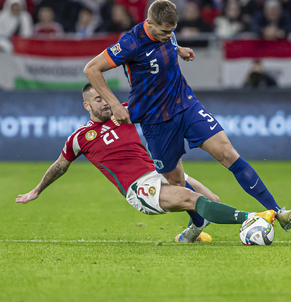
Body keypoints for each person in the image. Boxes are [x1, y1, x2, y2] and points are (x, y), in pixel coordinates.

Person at [83, 0, 291, 235]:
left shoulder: (168, 33)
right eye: (165, 32)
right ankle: (197, 225)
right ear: (150, 23)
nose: (169, 35)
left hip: (185, 105)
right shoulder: (131, 42)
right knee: (176, 183)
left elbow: (165, 44)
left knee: (227, 153)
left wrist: (178, 49)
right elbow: (91, 68)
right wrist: (115, 104)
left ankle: (278, 212)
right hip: (156, 121)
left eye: (172, 31)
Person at [15, 83, 276, 243]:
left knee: (213, 201)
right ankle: (251, 218)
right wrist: (37, 190)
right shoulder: (80, 138)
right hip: (139, 189)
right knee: (193, 199)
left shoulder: (124, 113)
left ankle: (191, 233)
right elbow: (60, 165)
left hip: (158, 173)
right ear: (86, 105)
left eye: (106, 96)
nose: (105, 102)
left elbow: (155, 97)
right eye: (97, 99)